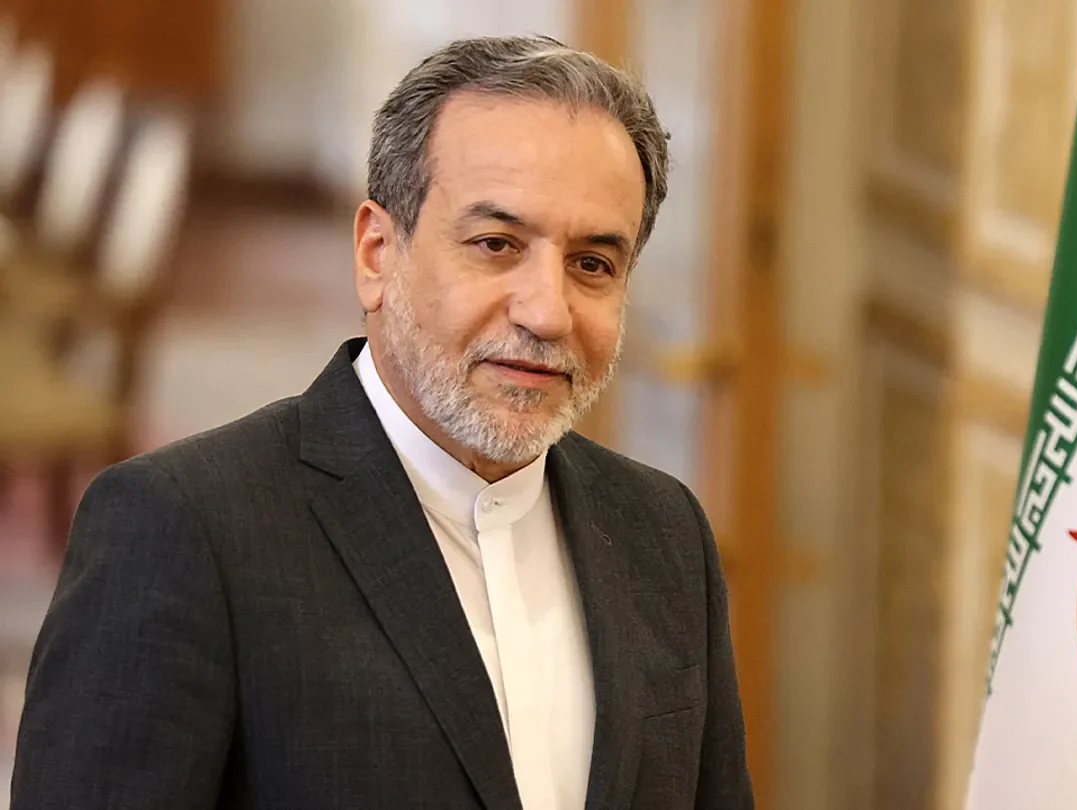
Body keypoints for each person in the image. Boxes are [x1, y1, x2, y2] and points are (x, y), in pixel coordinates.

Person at [10, 35, 753, 810]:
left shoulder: (665, 532)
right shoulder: (182, 530)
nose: (547, 311)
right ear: (376, 252)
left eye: (593, 264)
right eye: (496, 245)